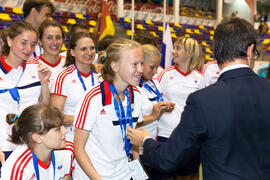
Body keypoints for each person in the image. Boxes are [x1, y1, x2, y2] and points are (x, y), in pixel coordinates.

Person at [127, 18, 270, 180]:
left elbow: (168, 158)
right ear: (250, 51)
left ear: (216, 51)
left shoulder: (203, 100)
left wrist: (145, 140)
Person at [73, 38, 144, 180]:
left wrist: (138, 174)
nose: (141, 69)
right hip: (94, 175)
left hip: (124, 174)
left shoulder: (137, 95)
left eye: (141, 63)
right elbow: (78, 148)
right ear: (115, 66)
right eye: (134, 64)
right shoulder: (93, 98)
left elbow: (133, 140)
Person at [0, 21, 50, 174]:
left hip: (31, 145)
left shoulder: (37, 69)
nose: (28, 49)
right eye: (23, 43)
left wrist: (44, 83)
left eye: (33, 44)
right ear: (9, 40)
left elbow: (43, 107)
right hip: (4, 146)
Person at [156, 36, 204, 180]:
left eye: (178, 48)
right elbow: (153, 100)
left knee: (187, 176)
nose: (173, 52)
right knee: (165, 176)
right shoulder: (164, 74)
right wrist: (161, 107)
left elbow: (201, 109)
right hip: (166, 135)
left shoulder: (199, 78)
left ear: (189, 53)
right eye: (174, 48)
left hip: (189, 136)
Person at [1, 104, 74, 179]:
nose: (65, 131)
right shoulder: (18, 168)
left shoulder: (67, 150)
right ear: (37, 138)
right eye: (58, 129)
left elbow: (66, 177)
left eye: (63, 126)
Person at [50, 32, 100, 142]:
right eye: (83, 49)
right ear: (72, 52)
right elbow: (55, 117)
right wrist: (89, 118)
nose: (89, 52)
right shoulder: (63, 77)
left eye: (92, 48)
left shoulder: (100, 76)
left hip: (97, 137)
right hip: (71, 137)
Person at [136, 44, 174, 179]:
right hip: (138, 149)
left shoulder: (154, 83)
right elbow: (130, 123)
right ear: (140, 63)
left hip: (153, 145)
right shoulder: (132, 86)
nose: (155, 71)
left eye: (157, 67)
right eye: (152, 67)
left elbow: (155, 111)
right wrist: (153, 116)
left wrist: (163, 108)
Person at [32, 20, 65, 90]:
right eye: (49, 38)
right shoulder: (32, 66)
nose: (55, 42)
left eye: (58, 37)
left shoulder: (70, 64)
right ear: (40, 41)